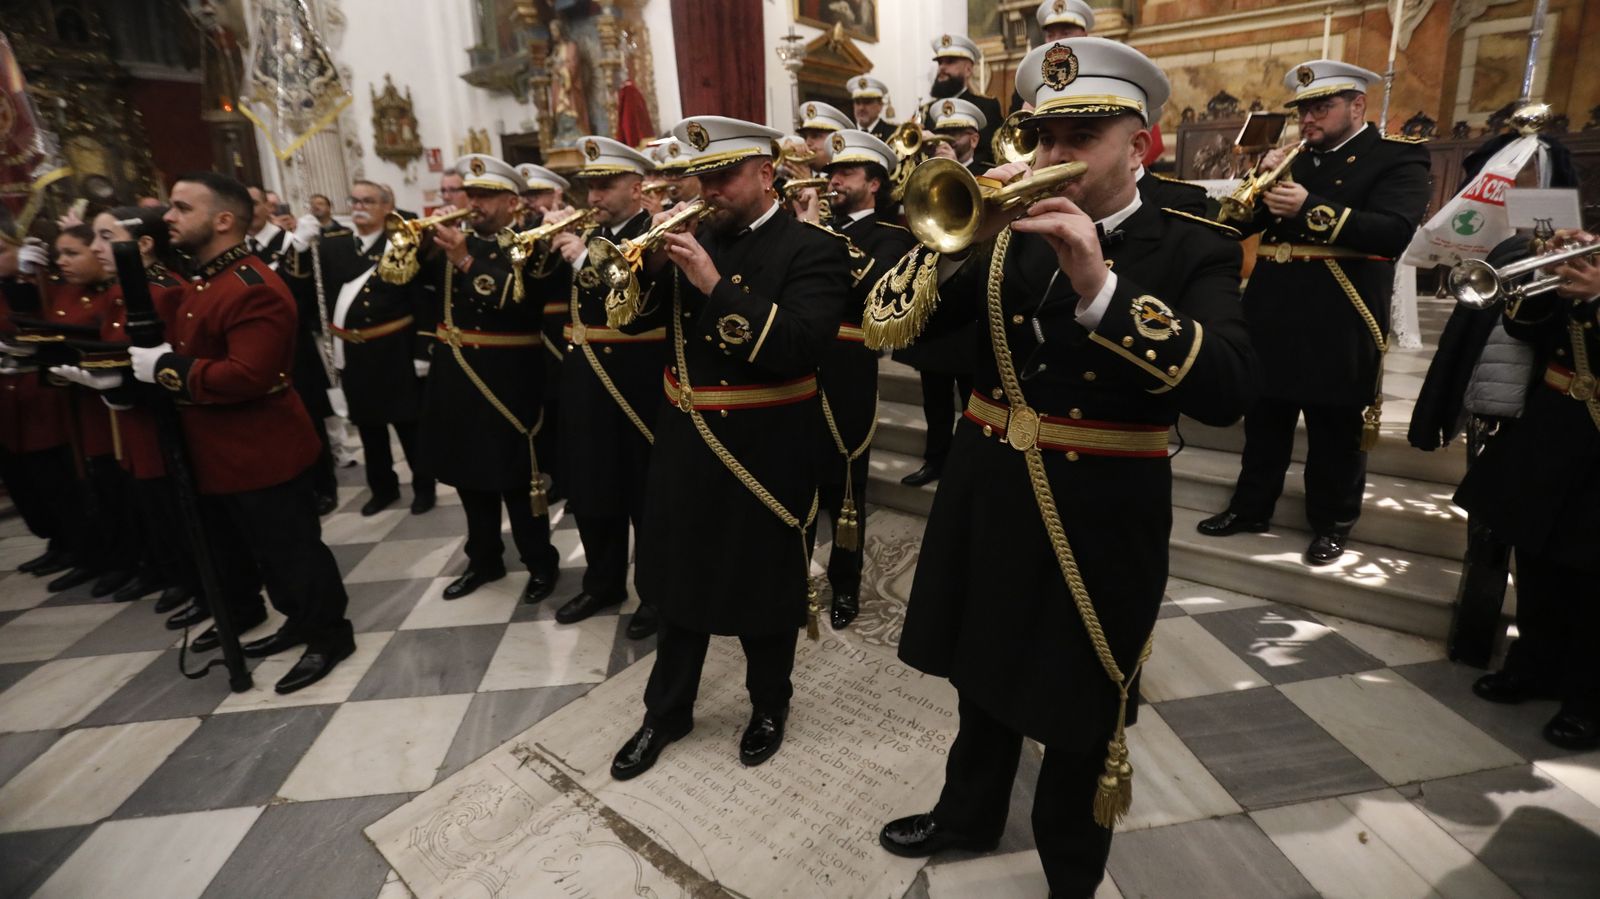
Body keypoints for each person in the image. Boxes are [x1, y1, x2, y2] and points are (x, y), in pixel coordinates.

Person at [870, 38, 1256, 896]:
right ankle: (969, 811)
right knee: (980, 666)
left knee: (1080, 698)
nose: (1054, 155)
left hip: (1102, 509)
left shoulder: (1192, 244)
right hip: (989, 490)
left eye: (1081, 137)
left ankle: (1071, 870)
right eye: (1044, 136)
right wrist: (954, 246)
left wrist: (1100, 287)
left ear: (1139, 145)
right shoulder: (1005, 237)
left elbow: (1229, 389)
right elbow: (892, 324)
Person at [611, 115, 852, 779]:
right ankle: (666, 711)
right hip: (687, 444)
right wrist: (648, 268)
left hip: (767, 448)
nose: (708, 190)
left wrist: (713, 286)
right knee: (679, 585)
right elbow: (626, 322)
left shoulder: (814, 249)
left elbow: (798, 347)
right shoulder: (690, 237)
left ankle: (769, 704)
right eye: (702, 177)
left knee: (765, 588)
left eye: (723, 176)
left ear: (766, 174)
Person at [1196, 59, 1431, 565]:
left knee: (1334, 427)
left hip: (1340, 310)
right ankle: (1250, 507)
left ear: (1357, 105)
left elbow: (1393, 231)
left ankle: (1332, 522)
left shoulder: (1396, 157)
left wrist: (1308, 208)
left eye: (1321, 107)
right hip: (1273, 306)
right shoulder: (1294, 159)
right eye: (1303, 110)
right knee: (1264, 419)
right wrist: (1257, 180)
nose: (1307, 119)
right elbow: (1236, 225)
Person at [131, 171, 355, 693]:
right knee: (260, 553)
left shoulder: (253, 287)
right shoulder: (206, 281)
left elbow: (248, 375)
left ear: (223, 220)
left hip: (262, 450)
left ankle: (329, 635)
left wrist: (169, 369)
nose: (169, 217)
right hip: (219, 451)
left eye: (182, 208)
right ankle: (297, 620)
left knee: (293, 553)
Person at [1456, 230, 1600, 750]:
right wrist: (1545, 271)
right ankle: (1535, 665)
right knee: (1536, 561)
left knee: (1592, 577)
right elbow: (1523, 329)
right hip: (1553, 428)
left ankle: (1589, 697)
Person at [418, 154, 559, 604]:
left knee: (517, 480)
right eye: (471, 194)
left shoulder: (530, 243)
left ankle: (540, 562)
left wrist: (464, 260)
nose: (474, 203)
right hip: (457, 377)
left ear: (512, 202)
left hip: (509, 379)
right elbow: (407, 286)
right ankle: (484, 560)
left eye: (485, 196)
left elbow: (521, 304)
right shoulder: (450, 240)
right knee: (469, 476)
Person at [545, 136, 663, 639]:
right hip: (585, 382)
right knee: (593, 487)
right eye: (589, 187)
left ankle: (656, 595)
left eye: (605, 186)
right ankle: (603, 582)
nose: (593, 197)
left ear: (636, 187)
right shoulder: (590, 232)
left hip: (635, 384)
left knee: (644, 495)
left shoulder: (652, 231)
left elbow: (634, 301)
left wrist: (579, 259)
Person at [810, 129, 915, 629]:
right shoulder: (811, 226)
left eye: (846, 172)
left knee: (846, 486)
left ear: (874, 183)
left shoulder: (893, 236)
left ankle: (845, 584)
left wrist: (816, 234)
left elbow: (880, 290)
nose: (833, 180)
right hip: (798, 358)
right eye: (832, 171)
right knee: (797, 478)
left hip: (850, 364)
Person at [285, 180, 436, 517]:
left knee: (409, 426)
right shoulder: (333, 246)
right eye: (354, 201)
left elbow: (422, 301)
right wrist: (300, 246)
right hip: (354, 351)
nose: (359, 207)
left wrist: (422, 349)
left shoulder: (401, 244)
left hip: (395, 349)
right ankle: (383, 489)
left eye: (368, 201)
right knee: (369, 428)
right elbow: (299, 287)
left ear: (386, 207)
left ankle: (424, 488)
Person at [82, 206, 200, 612]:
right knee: (147, 501)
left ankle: (191, 578)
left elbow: (170, 361)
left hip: (158, 422)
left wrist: (127, 388)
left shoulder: (165, 291)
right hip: (131, 423)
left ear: (144, 245)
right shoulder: (121, 291)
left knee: (172, 504)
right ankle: (165, 568)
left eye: (106, 237)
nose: (95, 248)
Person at [894, 96, 992, 490]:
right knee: (933, 396)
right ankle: (935, 460)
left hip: (972, 303)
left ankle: (972, 468)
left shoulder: (991, 174)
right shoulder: (927, 173)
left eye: (955, 133)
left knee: (973, 398)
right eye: (942, 133)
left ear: (973, 137)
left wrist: (958, 172)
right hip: (934, 297)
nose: (946, 139)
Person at [250, 185, 340, 515]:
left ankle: (323, 486)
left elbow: (304, 295)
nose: (249, 210)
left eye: (254, 203)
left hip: (294, 347)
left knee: (309, 418)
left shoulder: (290, 242)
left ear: (267, 207)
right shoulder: (242, 249)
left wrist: (299, 248)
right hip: (258, 350)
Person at [0, 237, 78, 582]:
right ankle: (56, 541)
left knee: (53, 477)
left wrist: (27, 283)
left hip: (38, 394)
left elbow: (40, 324)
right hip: (8, 400)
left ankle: (76, 544)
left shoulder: (40, 284)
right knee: (25, 482)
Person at [515, 163, 575, 509]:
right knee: (546, 408)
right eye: (526, 195)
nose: (530, 201)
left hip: (565, 325)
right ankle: (556, 475)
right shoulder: (524, 228)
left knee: (568, 407)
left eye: (537, 194)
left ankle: (572, 478)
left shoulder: (574, 222)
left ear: (557, 193)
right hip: (534, 330)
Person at [924, 34, 1002, 164]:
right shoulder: (926, 111)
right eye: (940, 62)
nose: (942, 67)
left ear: (968, 70)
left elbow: (990, 157)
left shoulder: (987, 106)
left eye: (950, 62)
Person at [847, 75, 897, 142]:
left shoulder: (894, 134)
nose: (861, 108)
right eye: (857, 102)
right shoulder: (847, 134)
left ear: (880, 105)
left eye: (867, 102)